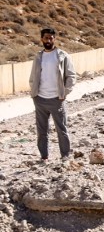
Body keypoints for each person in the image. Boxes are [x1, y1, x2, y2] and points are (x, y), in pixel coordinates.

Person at [29, 27, 76, 161]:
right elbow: (33, 76)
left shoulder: (62, 55)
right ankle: (44, 157)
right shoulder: (38, 56)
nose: (48, 40)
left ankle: (65, 156)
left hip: (57, 99)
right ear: (41, 39)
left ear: (54, 39)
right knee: (42, 131)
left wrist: (64, 93)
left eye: (51, 38)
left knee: (62, 130)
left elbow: (71, 76)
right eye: (46, 38)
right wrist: (34, 93)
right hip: (40, 99)